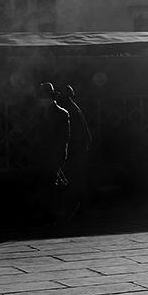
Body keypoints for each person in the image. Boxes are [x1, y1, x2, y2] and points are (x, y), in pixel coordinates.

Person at [34, 83, 70, 222]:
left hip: (53, 154)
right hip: (47, 154)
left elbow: (63, 137)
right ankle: (51, 211)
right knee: (47, 183)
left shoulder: (61, 113)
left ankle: (53, 211)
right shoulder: (58, 113)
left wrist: (60, 154)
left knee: (50, 183)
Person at [57, 85, 92, 207]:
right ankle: (79, 201)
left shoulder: (68, 110)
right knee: (77, 175)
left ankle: (75, 202)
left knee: (73, 175)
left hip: (75, 147)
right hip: (78, 146)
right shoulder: (74, 107)